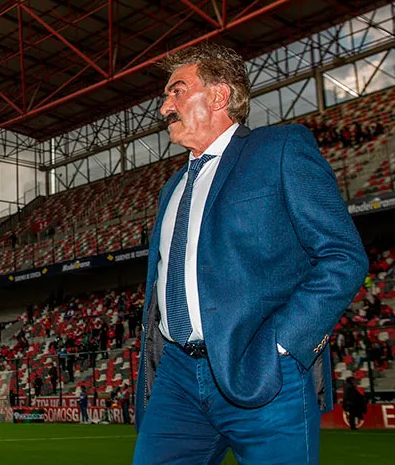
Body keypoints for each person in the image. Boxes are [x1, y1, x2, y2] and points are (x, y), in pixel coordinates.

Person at [133, 43, 367, 464]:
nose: (164, 106)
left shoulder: (279, 148)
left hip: (260, 370)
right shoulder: (172, 188)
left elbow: (343, 256)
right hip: (177, 376)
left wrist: (282, 344)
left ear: (219, 96)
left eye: (177, 91)